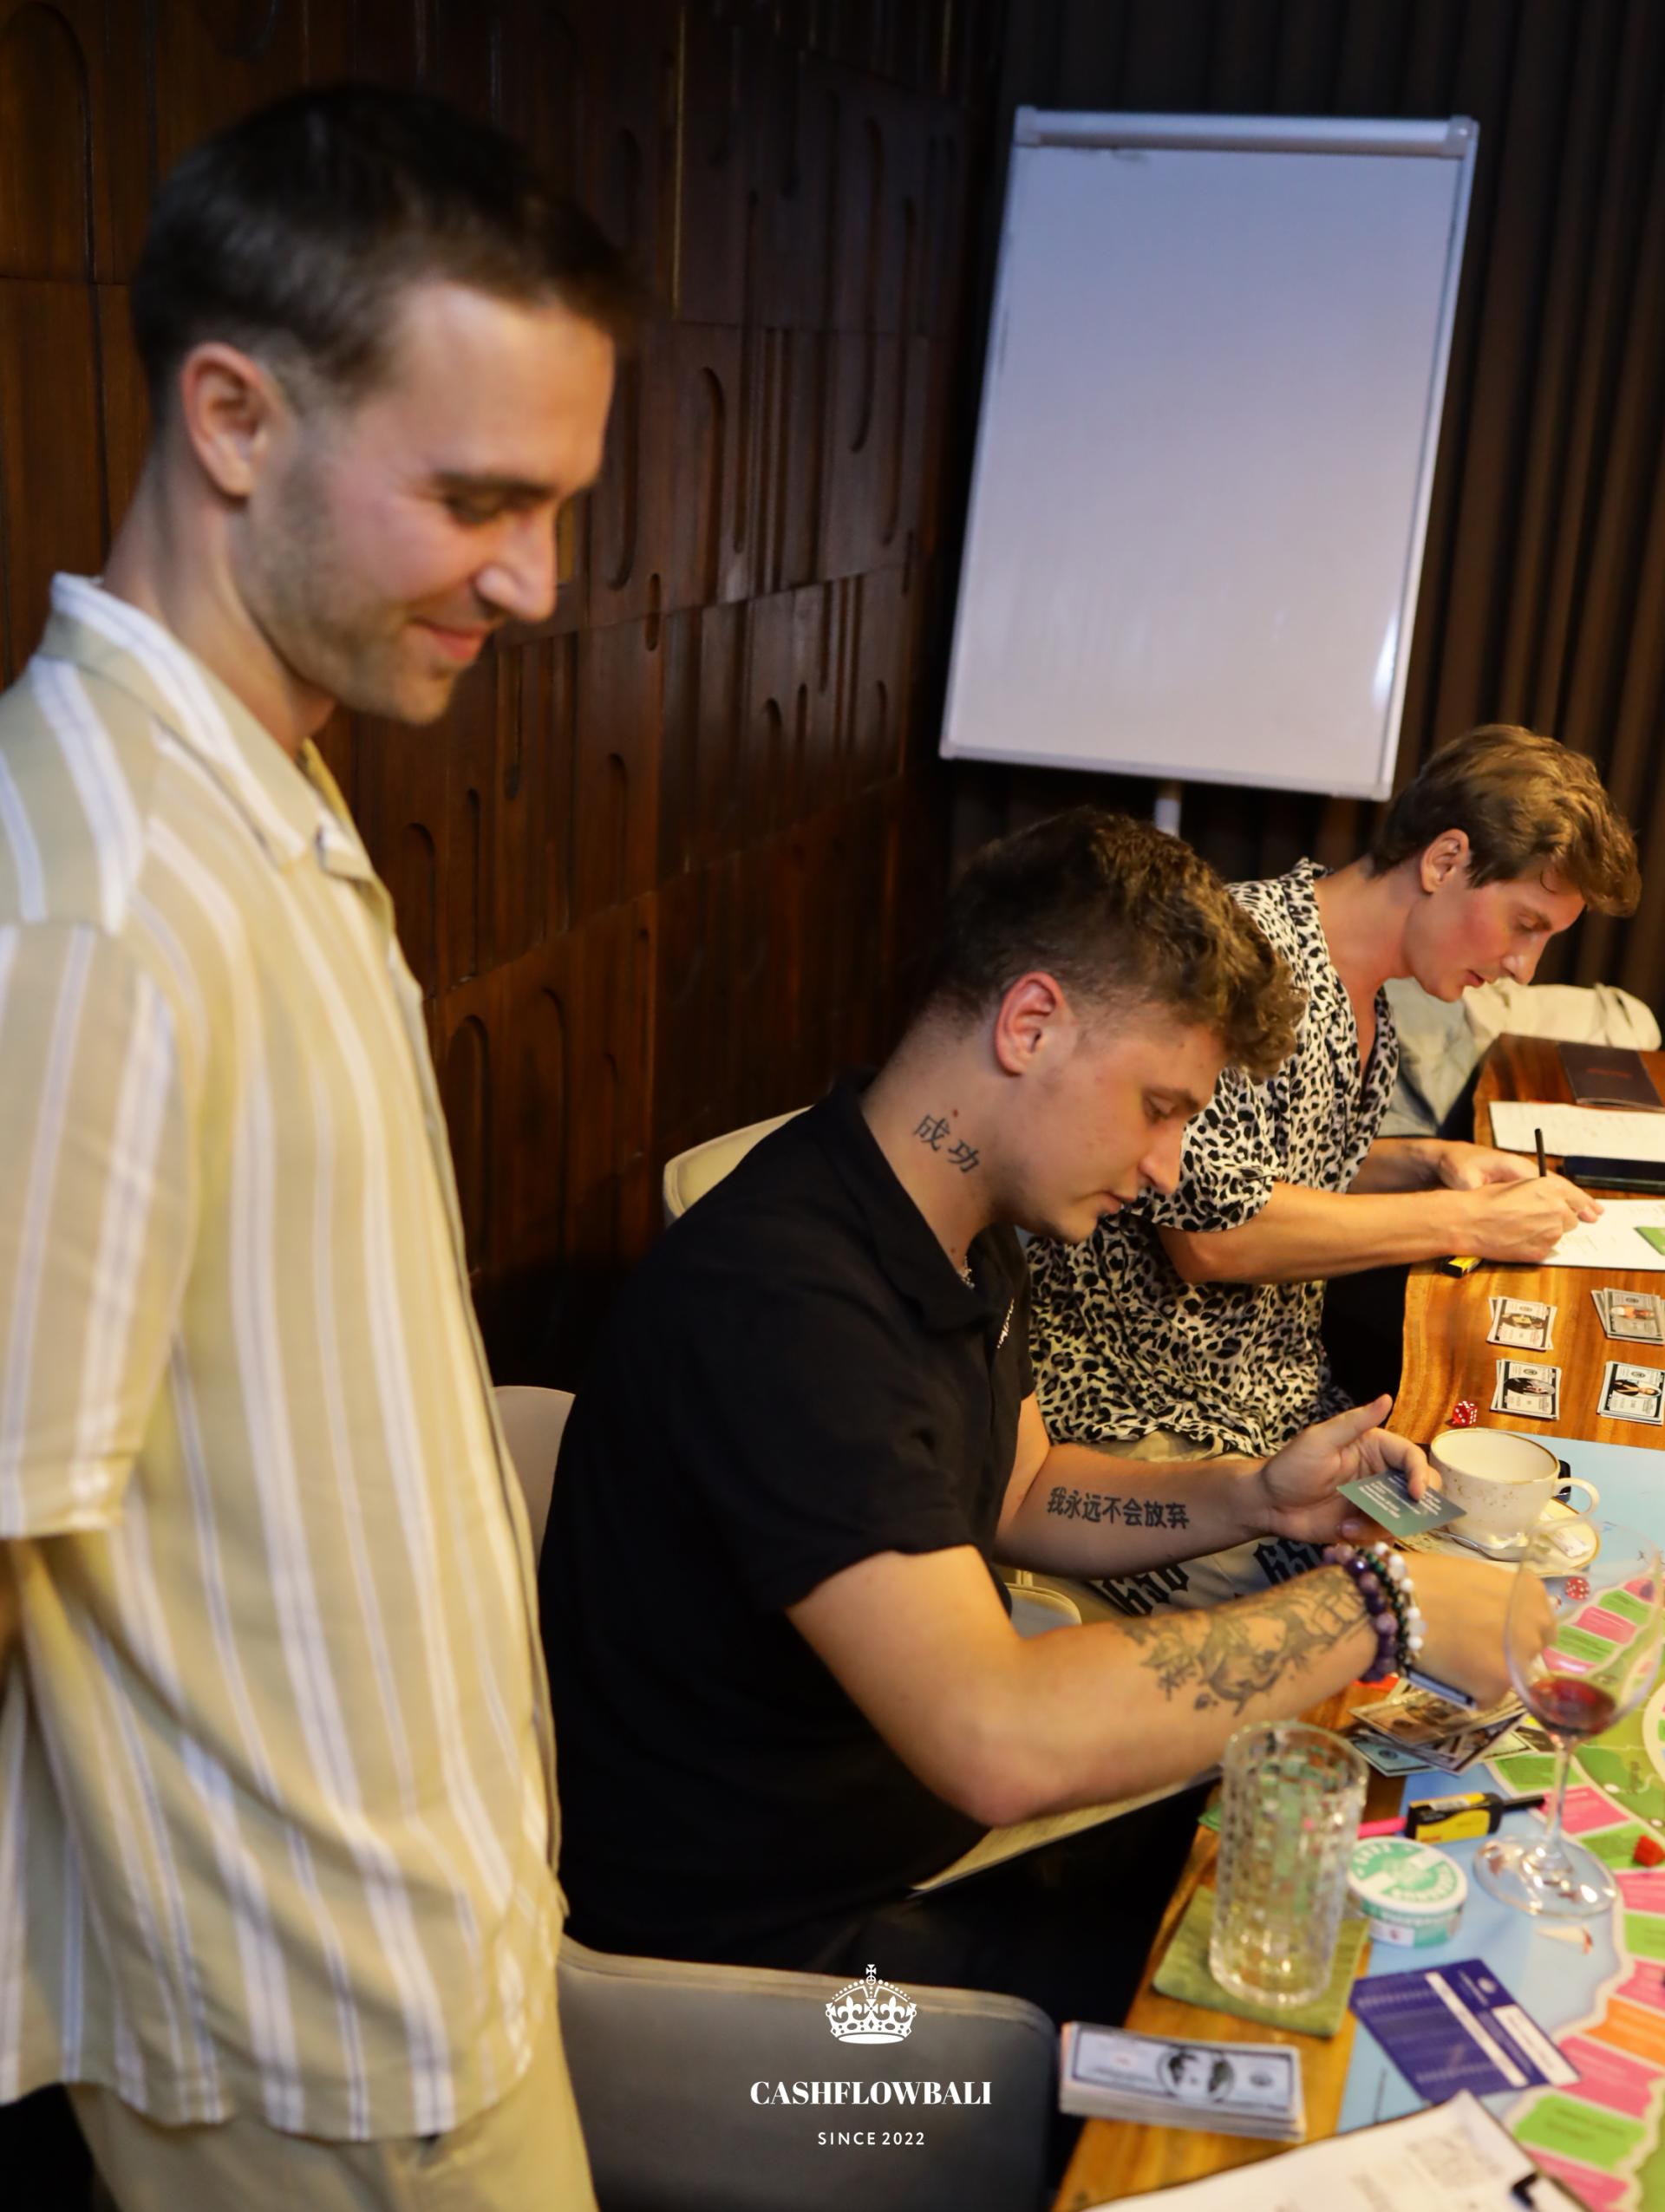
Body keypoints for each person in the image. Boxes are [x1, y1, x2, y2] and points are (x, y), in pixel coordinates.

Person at [0, 85, 630, 2212]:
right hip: (309, 2029)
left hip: (424, 1961)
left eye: (560, 503)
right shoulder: (90, 903)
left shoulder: (259, 775)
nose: (537, 581)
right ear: (233, 419)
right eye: (478, 499)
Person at [540, 807, 1529, 2035]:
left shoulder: (958, 1213)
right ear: (1030, 1024)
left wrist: (1250, 1495)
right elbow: (996, 1735)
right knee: (1319, 2012)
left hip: (921, 1837)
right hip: (776, 1951)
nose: (1169, 1167)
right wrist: (1378, 1607)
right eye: (1159, 1105)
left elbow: (1021, 1488)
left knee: (1363, 1887)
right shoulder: (785, 1306)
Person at [1028, 728, 1639, 1615]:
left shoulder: (1370, 999)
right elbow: (1212, 1234)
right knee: (1425, 1614)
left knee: (1517, 1560)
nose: (1521, 966)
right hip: (1148, 1421)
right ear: (1445, 860)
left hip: (1280, 1405)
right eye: (1526, 924)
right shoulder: (1244, 953)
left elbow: (1272, 1165)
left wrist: (1425, 1163)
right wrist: (1466, 1223)